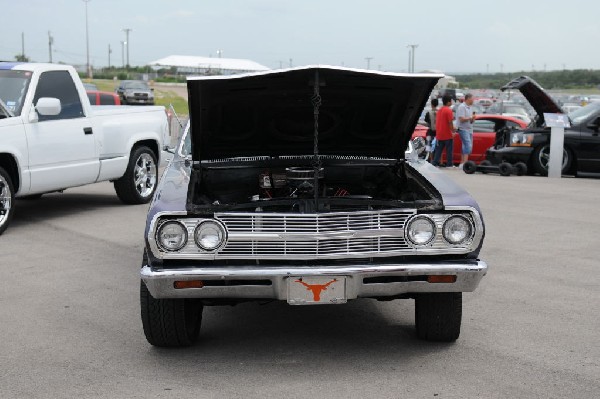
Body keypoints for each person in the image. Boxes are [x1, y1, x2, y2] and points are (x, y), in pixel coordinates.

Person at [432, 95, 455, 167]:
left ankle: (434, 163)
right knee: (449, 151)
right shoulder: (448, 110)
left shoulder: (439, 110)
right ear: (448, 102)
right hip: (447, 134)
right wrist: (453, 131)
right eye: (450, 101)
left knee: (438, 151)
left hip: (439, 134)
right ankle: (449, 164)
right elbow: (450, 122)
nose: (451, 102)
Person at [455, 93, 476, 167]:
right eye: (472, 99)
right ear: (468, 99)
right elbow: (461, 119)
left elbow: (469, 119)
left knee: (465, 145)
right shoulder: (462, 107)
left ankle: (462, 162)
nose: (473, 100)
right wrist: (470, 117)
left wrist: (472, 119)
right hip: (463, 129)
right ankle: (465, 163)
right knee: (468, 145)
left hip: (469, 129)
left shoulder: (470, 107)